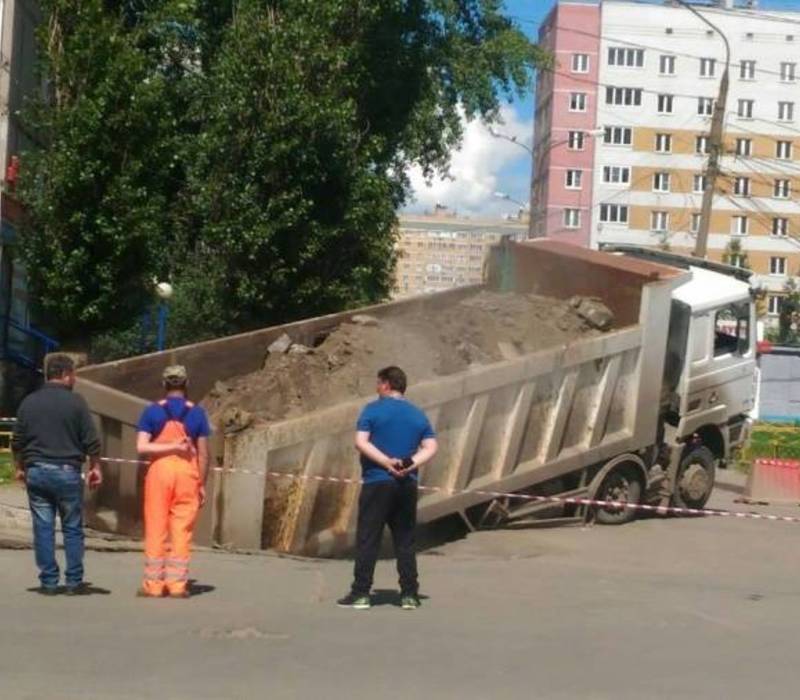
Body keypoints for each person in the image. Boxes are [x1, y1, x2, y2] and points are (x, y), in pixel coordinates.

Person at [337, 366, 438, 611]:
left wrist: (386, 463)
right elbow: (431, 446)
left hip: (377, 481)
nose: (376, 387)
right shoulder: (417, 414)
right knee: (405, 540)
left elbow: (360, 442)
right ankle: (409, 594)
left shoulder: (372, 410)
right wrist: (408, 464)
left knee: (368, 538)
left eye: (378, 382)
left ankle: (361, 593)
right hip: (406, 484)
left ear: (385, 385)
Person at [12, 354, 103, 595]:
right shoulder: (77, 403)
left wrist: (19, 467)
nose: (74, 379)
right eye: (73, 374)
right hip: (67, 472)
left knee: (43, 527)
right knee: (72, 527)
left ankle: (49, 581)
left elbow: (18, 440)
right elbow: (91, 440)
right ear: (65, 374)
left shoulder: (29, 402)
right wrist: (95, 467)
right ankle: (73, 581)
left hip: (37, 471)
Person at [136, 365, 211, 598]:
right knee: (181, 529)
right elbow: (204, 454)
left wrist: (167, 448)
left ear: (164, 385)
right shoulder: (197, 413)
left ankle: (154, 585)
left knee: (156, 527)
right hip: (187, 473)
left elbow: (141, 447)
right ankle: (177, 585)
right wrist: (201, 484)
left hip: (159, 470)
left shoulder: (151, 412)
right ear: (187, 384)